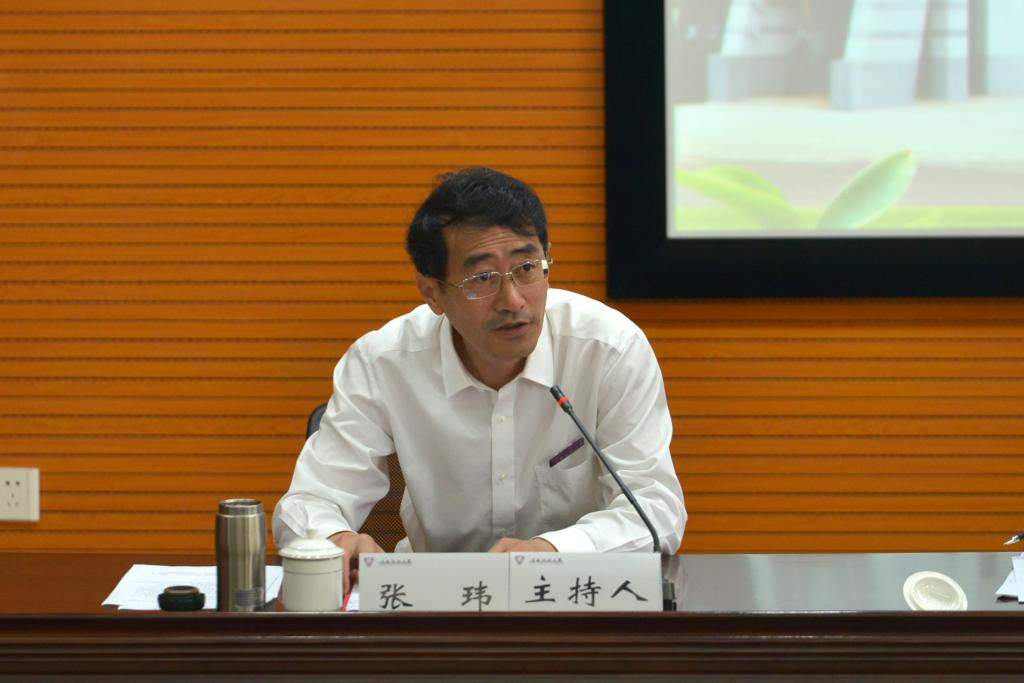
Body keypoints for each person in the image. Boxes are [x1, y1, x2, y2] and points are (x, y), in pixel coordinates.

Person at [273, 167, 686, 587]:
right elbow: (310, 500)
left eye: (527, 267)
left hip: (573, 596)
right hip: (431, 601)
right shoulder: (383, 363)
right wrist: (333, 538)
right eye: (482, 278)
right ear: (432, 292)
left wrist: (550, 551)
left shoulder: (609, 349)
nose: (512, 300)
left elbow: (655, 510)